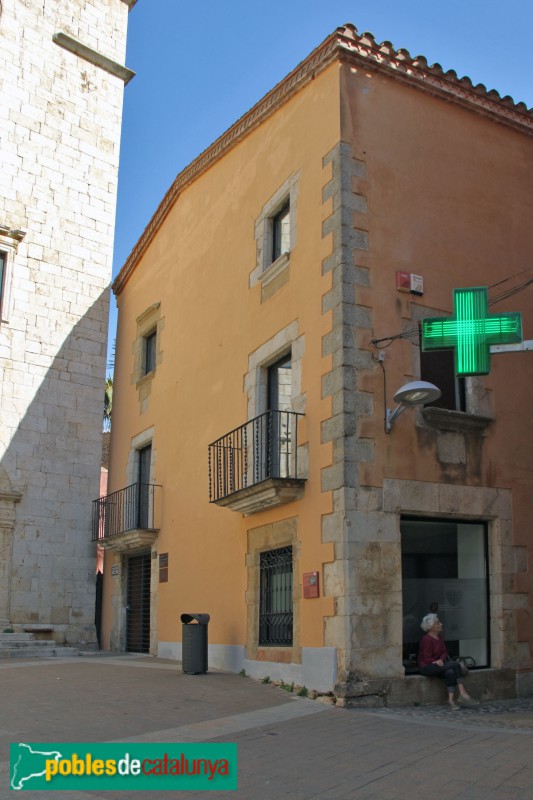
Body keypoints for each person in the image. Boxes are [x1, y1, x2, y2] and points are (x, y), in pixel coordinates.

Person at [418, 613, 479, 710]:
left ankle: (451, 700)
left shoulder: (439, 638)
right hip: (427, 667)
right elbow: (426, 658)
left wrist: (441, 660)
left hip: (438, 665)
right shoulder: (426, 639)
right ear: (431, 626)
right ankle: (463, 693)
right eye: (438, 623)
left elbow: (443, 652)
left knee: (450, 672)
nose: (441, 624)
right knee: (455, 665)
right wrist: (436, 661)